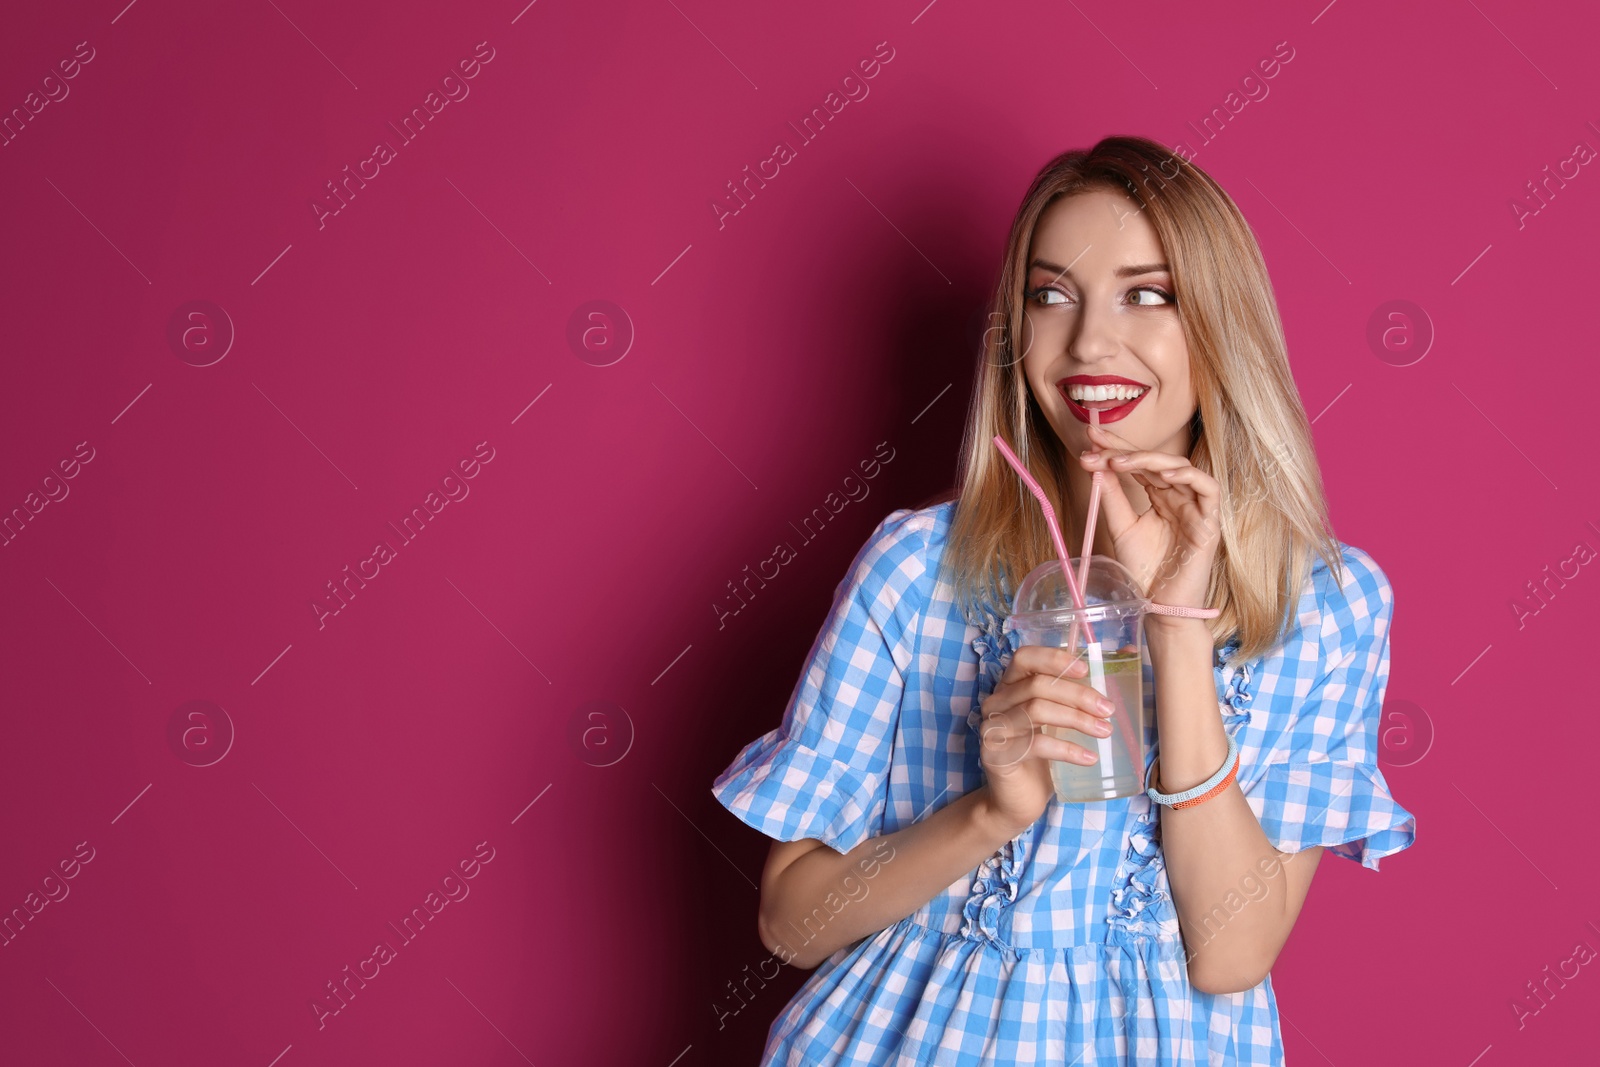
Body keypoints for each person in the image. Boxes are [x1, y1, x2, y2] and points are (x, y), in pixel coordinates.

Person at [710, 135, 1417, 1065]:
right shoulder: (917, 569)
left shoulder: (1326, 604)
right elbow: (792, 921)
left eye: (1147, 293)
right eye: (1051, 295)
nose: (1088, 342)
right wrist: (989, 813)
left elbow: (1231, 950)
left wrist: (1175, 633)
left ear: (1221, 323)